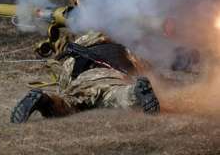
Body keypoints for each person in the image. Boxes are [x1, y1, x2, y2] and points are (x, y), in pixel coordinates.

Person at [10, 32, 160, 123]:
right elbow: (144, 69)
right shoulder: (125, 48)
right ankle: (135, 92)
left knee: (66, 105)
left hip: (83, 80)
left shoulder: (75, 52)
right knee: (120, 97)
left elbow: (64, 83)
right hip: (113, 76)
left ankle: (43, 101)